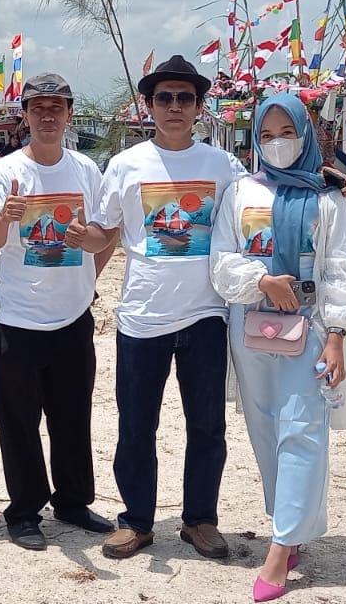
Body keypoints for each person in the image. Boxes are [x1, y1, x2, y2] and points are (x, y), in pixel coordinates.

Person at [85, 54, 247, 561]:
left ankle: (200, 519)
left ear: (199, 107)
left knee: (207, 426)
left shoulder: (224, 167)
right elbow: (104, 233)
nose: (173, 106)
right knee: (136, 424)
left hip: (206, 315)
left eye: (184, 98)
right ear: (148, 105)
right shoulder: (125, 165)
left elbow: (258, 214)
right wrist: (77, 238)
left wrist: (323, 190)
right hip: (141, 315)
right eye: (163, 98)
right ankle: (136, 520)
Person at [211, 93, 346, 602]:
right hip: (250, 325)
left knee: (302, 429)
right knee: (264, 426)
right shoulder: (239, 193)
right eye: (268, 134)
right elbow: (222, 260)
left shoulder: (327, 198)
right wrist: (261, 278)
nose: (278, 144)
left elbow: (340, 266)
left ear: (306, 134)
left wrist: (338, 335)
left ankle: (279, 551)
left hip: (310, 324)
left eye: (288, 133)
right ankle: (289, 523)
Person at [0, 72, 115, 551]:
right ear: (26, 114)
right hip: (16, 316)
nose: (48, 115)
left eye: (57, 106)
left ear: (70, 113)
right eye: (38, 107)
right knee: (18, 419)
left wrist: (89, 261)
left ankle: (74, 501)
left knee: (72, 414)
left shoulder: (85, 170)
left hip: (72, 315)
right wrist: (6, 216)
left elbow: (106, 234)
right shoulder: (3, 172)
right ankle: (24, 510)